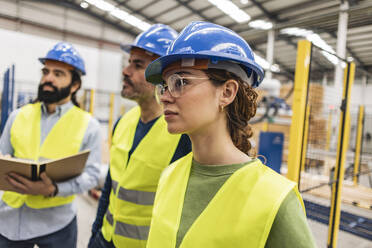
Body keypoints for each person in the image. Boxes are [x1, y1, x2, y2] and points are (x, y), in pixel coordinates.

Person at [144, 21, 317, 248]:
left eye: (181, 82)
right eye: (164, 86)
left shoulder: (276, 201)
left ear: (226, 92)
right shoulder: (170, 176)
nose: (165, 96)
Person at [88, 24, 192, 248]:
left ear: (162, 74)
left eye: (137, 65)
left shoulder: (184, 136)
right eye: (129, 63)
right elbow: (110, 187)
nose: (126, 71)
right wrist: (95, 234)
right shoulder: (123, 122)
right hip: (105, 239)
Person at [0, 42, 102, 247]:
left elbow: (91, 175)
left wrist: (54, 189)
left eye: (58, 74)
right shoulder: (18, 116)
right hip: (10, 221)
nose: (48, 78)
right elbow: (2, 157)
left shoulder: (88, 125)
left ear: (74, 85)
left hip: (57, 224)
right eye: (45, 71)